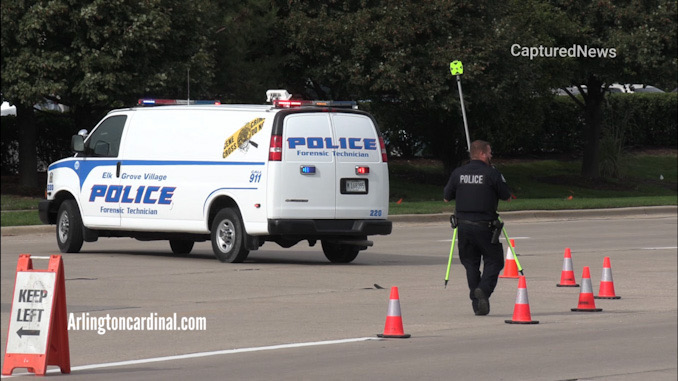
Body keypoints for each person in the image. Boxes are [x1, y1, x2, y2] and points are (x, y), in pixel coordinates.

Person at [443, 140, 512, 316]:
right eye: (489, 153)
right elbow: (507, 197)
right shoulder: (491, 173)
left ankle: (477, 304)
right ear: (481, 153)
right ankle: (483, 290)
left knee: (471, 265)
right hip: (485, 227)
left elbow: (446, 197)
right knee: (494, 261)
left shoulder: (458, 173)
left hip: (463, 227)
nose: (491, 156)